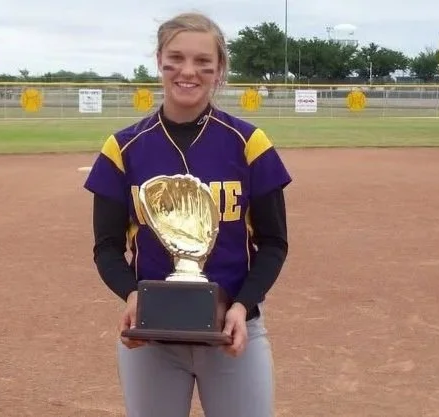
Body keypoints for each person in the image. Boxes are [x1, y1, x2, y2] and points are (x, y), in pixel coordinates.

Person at [83, 11, 292, 417]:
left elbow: (273, 243)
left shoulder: (250, 143)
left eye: (203, 62)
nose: (188, 71)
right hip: (152, 340)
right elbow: (107, 247)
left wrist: (241, 306)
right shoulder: (122, 148)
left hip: (234, 333)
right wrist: (131, 296)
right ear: (159, 60)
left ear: (219, 70)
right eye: (175, 58)